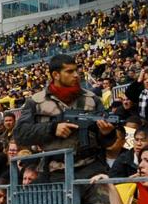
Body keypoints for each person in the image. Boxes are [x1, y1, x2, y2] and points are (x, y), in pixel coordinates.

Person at [13, 53, 113, 181]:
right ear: (56, 75)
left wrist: (107, 133)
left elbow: (108, 140)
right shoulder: (36, 102)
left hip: (91, 168)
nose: (76, 75)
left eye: (76, 70)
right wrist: (52, 129)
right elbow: (20, 135)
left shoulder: (92, 99)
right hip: (54, 171)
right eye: (69, 71)